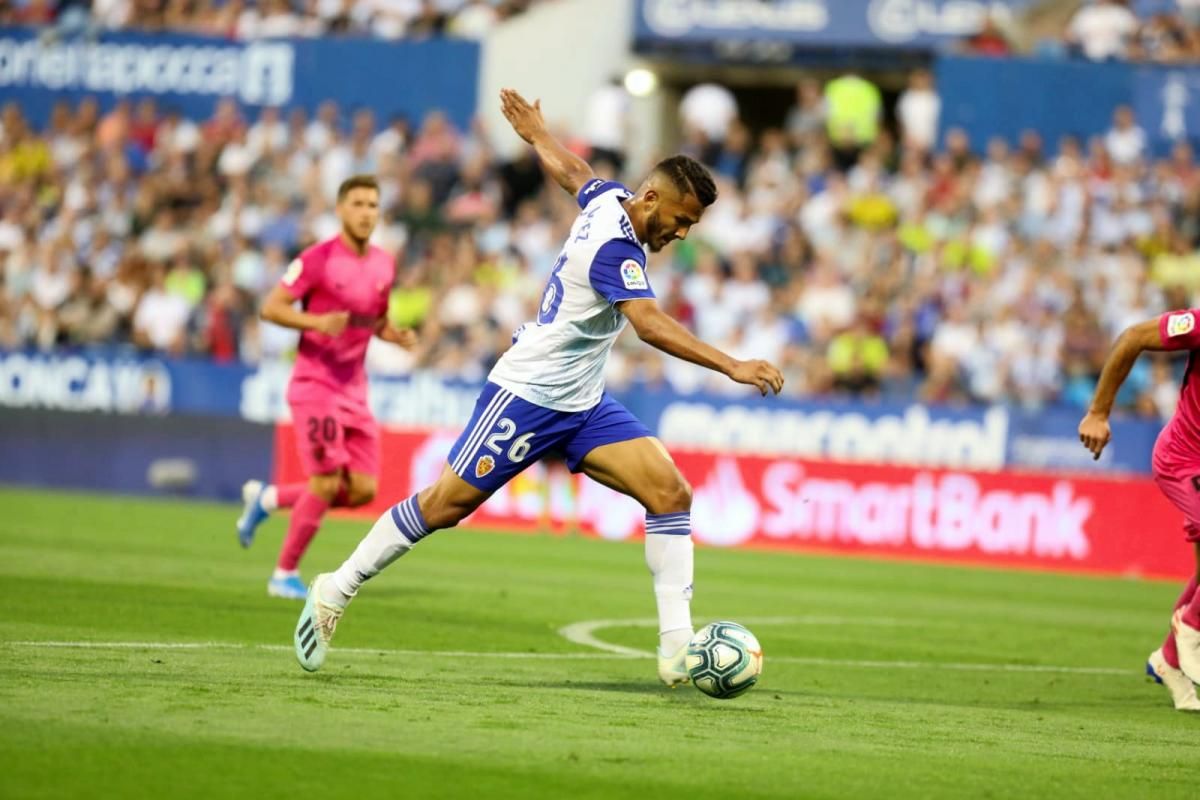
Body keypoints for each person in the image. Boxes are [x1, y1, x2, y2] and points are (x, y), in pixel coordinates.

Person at [292, 89, 784, 685]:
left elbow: (574, 172)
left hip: (583, 402)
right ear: (651, 198)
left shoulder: (607, 200)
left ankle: (677, 648)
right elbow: (649, 326)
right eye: (681, 220)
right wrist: (731, 365)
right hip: (525, 395)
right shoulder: (615, 249)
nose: (681, 234)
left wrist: (536, 136)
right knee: (445, 506)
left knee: (671, 494)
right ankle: (333, 589)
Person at [235, 174, 416, 599]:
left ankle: (268, 500)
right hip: (315, 383)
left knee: (363, 490)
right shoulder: (317, 259)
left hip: (355, 388)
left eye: (373, 205)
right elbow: (270, 308)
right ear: (340, 210)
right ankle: (283, 575)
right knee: (324, 481)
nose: (366, 212)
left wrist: (393, 335)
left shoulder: (384, 263)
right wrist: (315, 321)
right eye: (358, 203)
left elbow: (373, 319)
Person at [1078, 309, 1200, 711]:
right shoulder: (1197, 324)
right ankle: (1191, 627)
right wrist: (1098, 412)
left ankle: (1168, 660)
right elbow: (1132, 337)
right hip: (1184, 460)